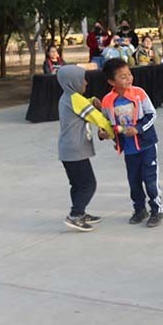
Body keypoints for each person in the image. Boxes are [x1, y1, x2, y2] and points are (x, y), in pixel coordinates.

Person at [98, 58, 163, 227]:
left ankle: (157, 210)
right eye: (122, 76)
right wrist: (103, 134)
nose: (128, 79)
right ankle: (139, 209)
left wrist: (138, 129)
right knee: (134, 181)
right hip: (129, 149)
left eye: (129, 74)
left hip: (146, 145)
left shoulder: (139, 93)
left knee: (150, 179)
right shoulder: (107, 101)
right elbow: (106, 123)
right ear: (112, 81)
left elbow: (152, 114)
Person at [56, 65, 103, 232]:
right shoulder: (76, 99)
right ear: (73, 81)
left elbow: (83, 106)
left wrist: (91, 101)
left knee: (77, 185)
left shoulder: (68, 97)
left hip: (67, 151)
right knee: (88, 184)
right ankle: (75, 215)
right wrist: (114, 133)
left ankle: (80, 212)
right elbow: (98, 118)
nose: (86, 82)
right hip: (76, 151)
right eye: (82, 78)